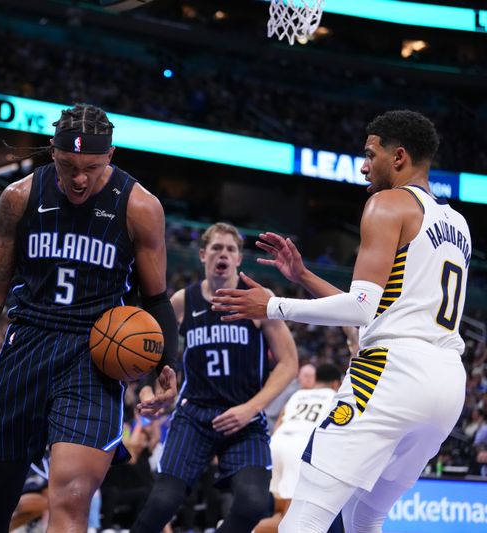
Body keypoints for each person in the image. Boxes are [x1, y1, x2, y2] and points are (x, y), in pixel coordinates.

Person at [213, 110, 471, 532]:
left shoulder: (387, 203)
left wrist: (274, 305)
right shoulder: (458, 224)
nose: (364, 165)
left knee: (306, 516)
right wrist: (304, 278)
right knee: (365, 516)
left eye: (371, 154)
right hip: (446, 387)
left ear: (399, 157)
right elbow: (386, 309)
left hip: (392, 373)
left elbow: (361, 309)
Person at [0, 103, 179, 532]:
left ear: (111, 156)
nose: (79, 179)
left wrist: (166, 364)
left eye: (92, 167)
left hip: (95, 356)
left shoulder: (140, 206)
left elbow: (155, 298)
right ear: (52, 152)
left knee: (72, 495)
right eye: (67, 165)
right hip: (27, 345)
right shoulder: (19, 197)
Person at [131, 222, 298, 533]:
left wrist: (252, 408)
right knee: (162, 503)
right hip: (195, 415)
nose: (224, 254)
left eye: (231, 249)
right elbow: (151, 350)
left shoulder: (259, 299)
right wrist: (151, 390)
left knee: (252, 502)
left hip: (243, 417)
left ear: (238, 259)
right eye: (217, 248)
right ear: (203, 255)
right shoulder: (185, 299)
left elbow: (289, 362)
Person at [263, 364, 342, 532]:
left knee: (280, 512)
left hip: (275, 445)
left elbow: (279, 423)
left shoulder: (297, 395)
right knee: (294, 519)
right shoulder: (336, 397)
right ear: (336, 383)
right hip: (298, 448)